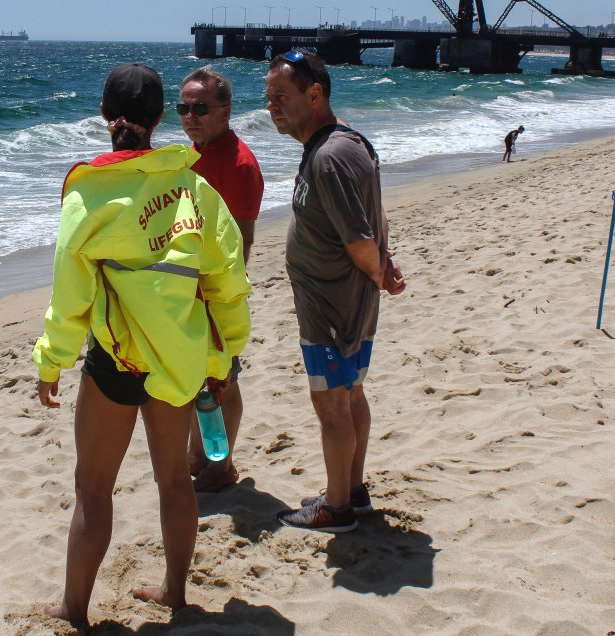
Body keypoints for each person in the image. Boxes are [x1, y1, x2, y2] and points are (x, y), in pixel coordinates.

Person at [31, 63, 251, 624]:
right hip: (177, 356)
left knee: (93, 488)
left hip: (115, 358)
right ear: (161, 119)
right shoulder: (194, 188)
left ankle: (73, 608)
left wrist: (51, 361)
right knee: (175, 479)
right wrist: (223, 356)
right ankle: (175, 592)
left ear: (106, 116)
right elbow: (228, 283)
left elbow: (70, 298)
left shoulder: (88, 194)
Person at [264, 50, 406, 532]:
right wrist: (383, 266)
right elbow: (374, 217)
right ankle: (354, 490)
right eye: (268, 98)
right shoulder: (344, 142)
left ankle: (337, 507)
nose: (272, 107)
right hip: (344, 299)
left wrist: (379, 268)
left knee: (332, 403)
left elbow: (358, 236)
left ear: (315, 94)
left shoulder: (329, 156)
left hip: (332, 304)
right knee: (350, 395)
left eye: (281, 97)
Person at [177, 65, 264, 493]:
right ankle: (199, 456)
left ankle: (221, 465)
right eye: (183, 107)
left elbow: (242, 242)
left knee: (224, 381)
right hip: (186, 290)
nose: (190, 116)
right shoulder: (192, 155)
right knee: (198, 379)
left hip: (217, 294)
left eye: (200, 108)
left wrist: (220, 297)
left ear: (226, 111)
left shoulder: (239, 164)